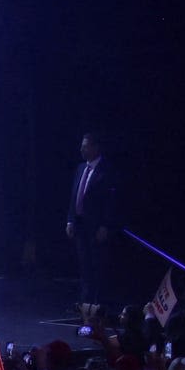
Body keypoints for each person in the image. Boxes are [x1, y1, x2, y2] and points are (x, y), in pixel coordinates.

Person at [67, 130, 118, 322]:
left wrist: (105, 225)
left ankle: (97, 305)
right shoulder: (81, 168)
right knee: (84, 267)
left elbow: (111, 201)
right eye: (82, 145)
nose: (82, 149)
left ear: (96, 147)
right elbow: (74, 196)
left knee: (97, 266)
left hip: (96, 227)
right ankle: (85, 304)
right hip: (80, 225)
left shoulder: (107, 170)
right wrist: (70, 219)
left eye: (86, 145)